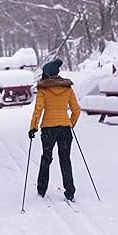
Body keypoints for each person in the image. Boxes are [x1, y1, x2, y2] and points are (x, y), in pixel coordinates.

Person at [28, 59, 81, 201]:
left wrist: (33, 127)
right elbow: (76, 110)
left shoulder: (43, 89)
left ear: (47, 73)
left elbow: (38, 109)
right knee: (65, 159)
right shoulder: (68, 88)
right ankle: (70, 191)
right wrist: (70, 123)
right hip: (65, 129)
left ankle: (42, 189)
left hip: (48, 130)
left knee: (46, 157)